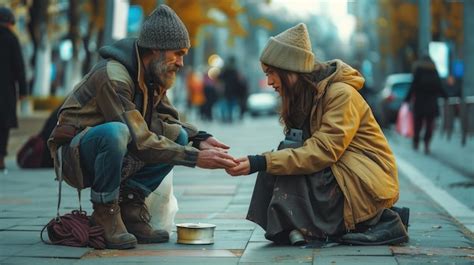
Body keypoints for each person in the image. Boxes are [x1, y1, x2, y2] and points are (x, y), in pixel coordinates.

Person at [47, 5, 238, 250]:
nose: (181, 63)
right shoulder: (113, 75)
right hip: (74, 155)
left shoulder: (153, 74)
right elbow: (139, 139)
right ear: (156, 49)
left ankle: (129, 206)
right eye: (177, 53)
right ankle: (105, 210)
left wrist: (199, 138)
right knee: (117, 132)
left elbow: (170, 120)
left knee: (177, 135)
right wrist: (195, 158)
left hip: (115, 148)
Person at [226, 23, 409, 246]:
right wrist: (264, 163)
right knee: (281, 159)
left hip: (366, 181)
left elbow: (322, 152)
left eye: (272, 73)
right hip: (343, 171)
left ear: (290, 70)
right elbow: (299, 152)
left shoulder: (341, 94)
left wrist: (259, 162)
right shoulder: (303, 99)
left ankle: (381, 220)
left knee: (276, 161)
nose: (269, 82)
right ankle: (293, 227)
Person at [0, 7, 28, 171]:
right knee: (3, 126)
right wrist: (23, 90)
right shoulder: (11, 38)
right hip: (6, 92)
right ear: (10, 23)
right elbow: (19, 66)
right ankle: (1, 159)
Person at [404, 55, 447, 154]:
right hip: (431, 103)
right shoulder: (434, 72)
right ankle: (427, 144)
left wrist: (407, 99)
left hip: (419, 102)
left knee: (417, 124)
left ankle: (416, 142)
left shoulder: (418, 71)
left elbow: (413, 86)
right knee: (429, 125)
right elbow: (440, 86)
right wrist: (446, 96)